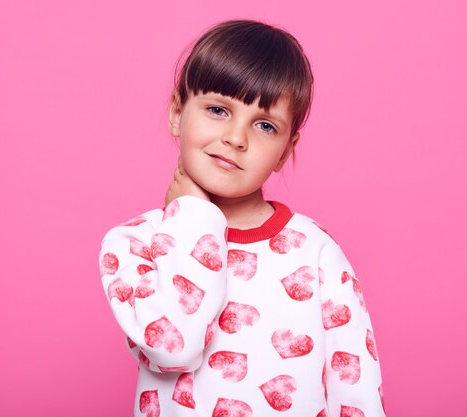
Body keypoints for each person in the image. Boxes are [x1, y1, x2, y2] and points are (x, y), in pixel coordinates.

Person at [99, 19, 386, 417]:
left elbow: (355, 387)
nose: (236, 137)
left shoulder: (316, 251)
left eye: (265, 125)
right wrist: (194, 219)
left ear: (286, 150)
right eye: (218, 109)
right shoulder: (133, 242)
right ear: (177, 113)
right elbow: (174, 347)